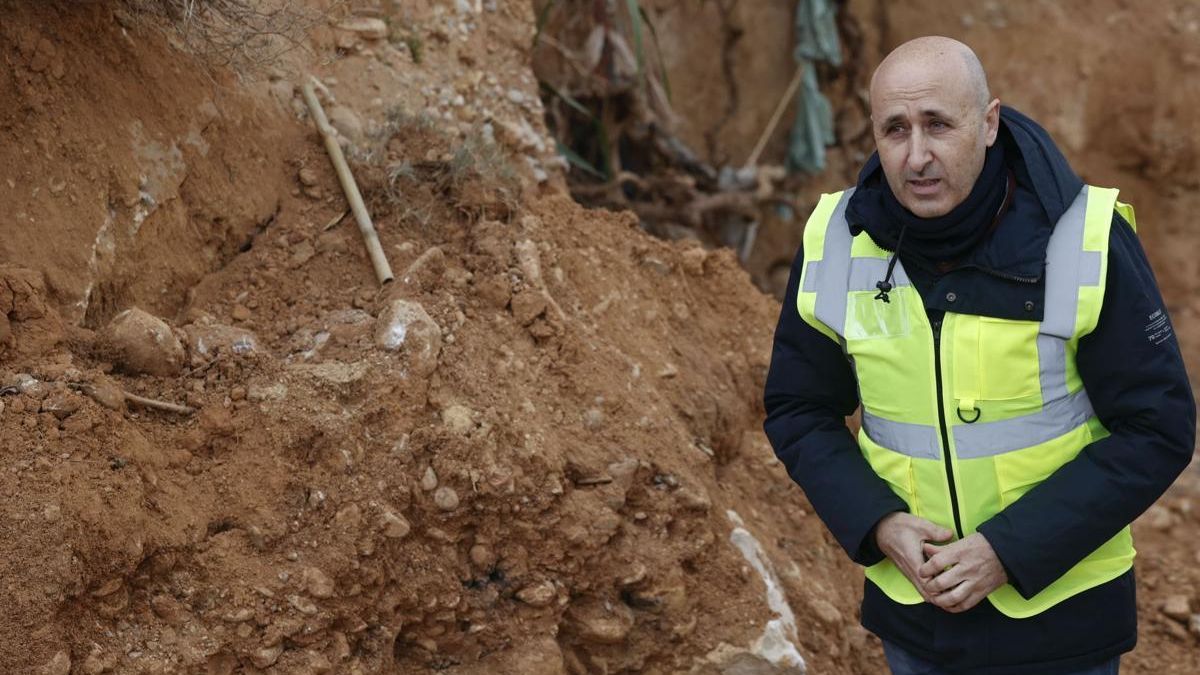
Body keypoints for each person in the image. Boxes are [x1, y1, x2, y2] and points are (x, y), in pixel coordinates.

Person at [763, 36, 1195, 674]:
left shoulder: (1085, 240)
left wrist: (1007, 549)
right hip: (915, 623)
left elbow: (1158, 427)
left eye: (939, 124)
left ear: (989, 122)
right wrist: (879, 523)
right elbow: (798, 408)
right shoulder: (836, 241)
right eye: (895, 130)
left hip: (1062, 626)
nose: (916, 156)